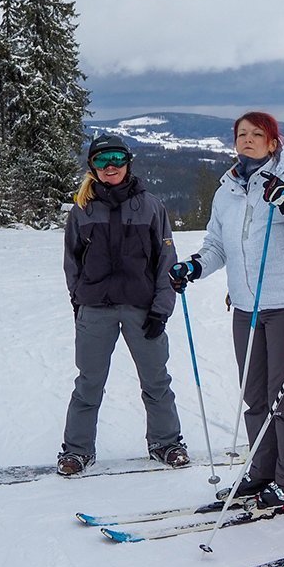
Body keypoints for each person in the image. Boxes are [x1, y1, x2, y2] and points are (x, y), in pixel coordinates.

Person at [169, 112, 284, 505]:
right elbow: (217, 246)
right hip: (246, 309)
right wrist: (194, 266)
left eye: (257, 134)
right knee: (255, 396)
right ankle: (263, 471)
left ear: (274, 143)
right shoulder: (227, 191)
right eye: (241, 134)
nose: (248, 139)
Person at [59, 135, 187, 476]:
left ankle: (167, 443)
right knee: (88, 383)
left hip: (142, 309)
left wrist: (161, 309)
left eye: (116, 158)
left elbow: (166, 261)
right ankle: (77, 451)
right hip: (95, 309)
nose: (110, 166)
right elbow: (71, 262)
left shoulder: (150, 206)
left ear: (128, 162)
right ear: (92, 167)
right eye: (102, 161)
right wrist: (80, 302)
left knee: (156, 380)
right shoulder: (82, 210)